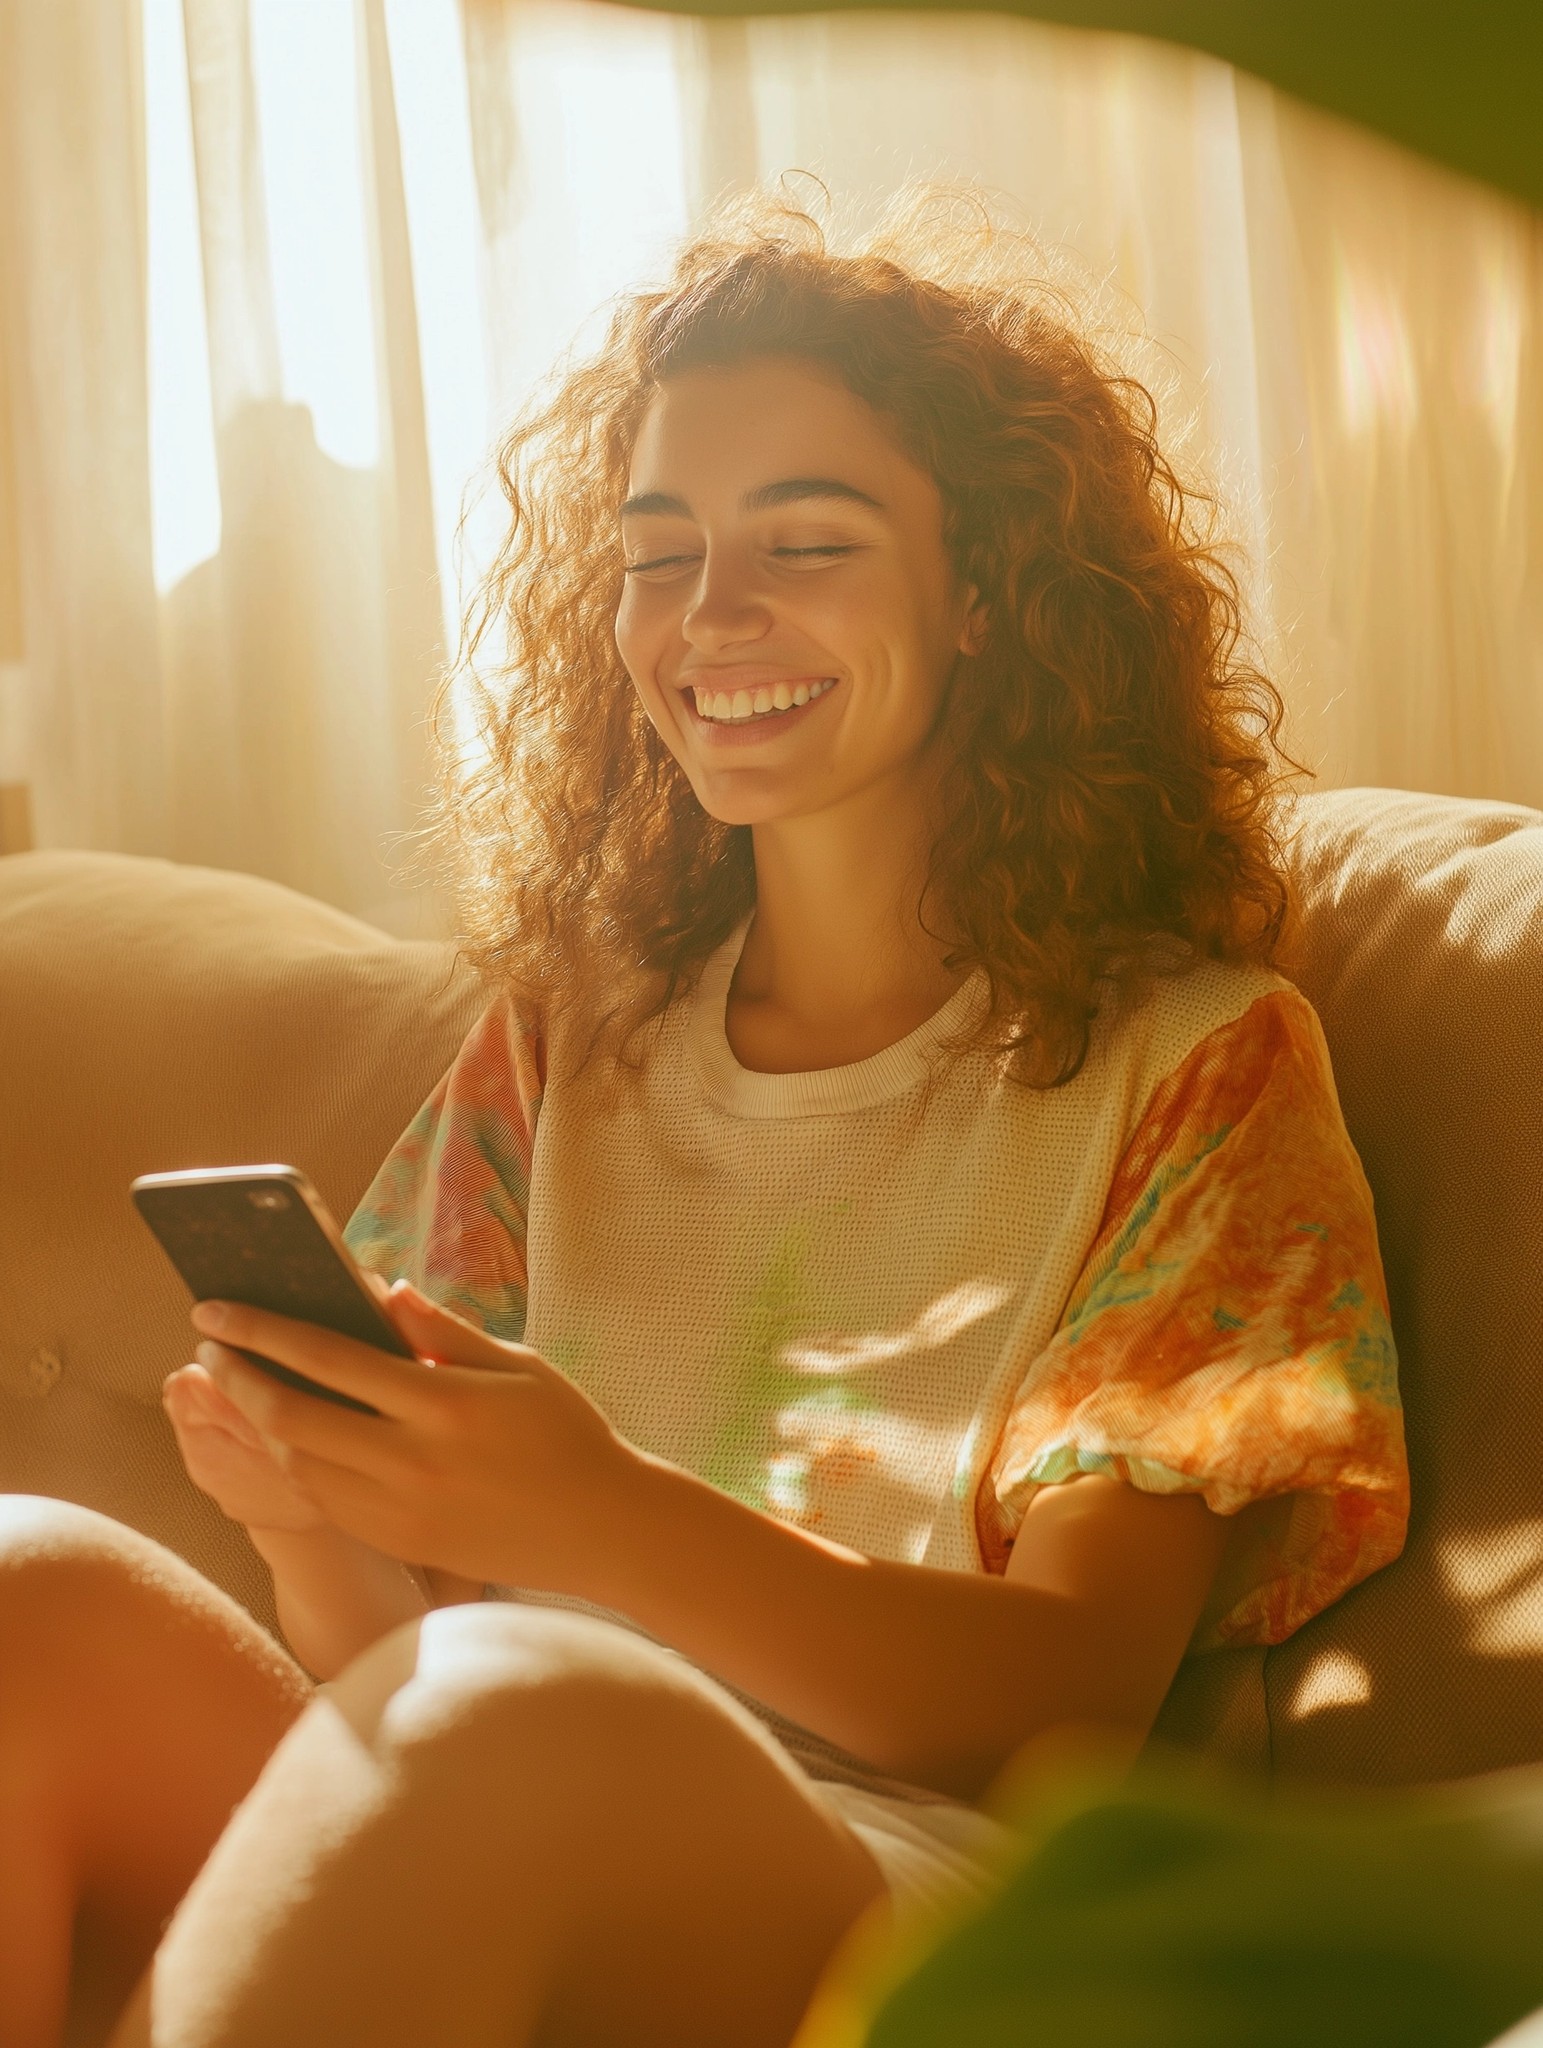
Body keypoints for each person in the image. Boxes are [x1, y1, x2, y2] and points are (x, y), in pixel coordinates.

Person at [0, 191, 1408, 2048]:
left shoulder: (1202, 1067)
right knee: (34, 1582)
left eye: (804, 541)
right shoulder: (563, 1056)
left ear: (986, 590)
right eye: (659, 554)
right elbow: (391, 1679)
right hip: (487, 1786)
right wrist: (309, 1522)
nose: (712, 615)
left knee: (510, 1709)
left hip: (896, 1891)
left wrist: (595, 1511)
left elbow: (1062, 1705)